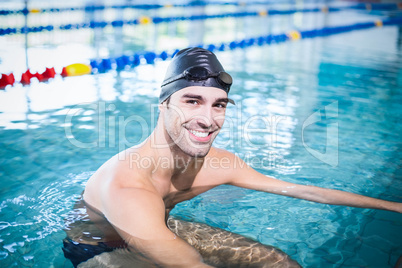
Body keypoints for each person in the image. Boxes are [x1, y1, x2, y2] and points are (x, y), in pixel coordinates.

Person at [63, 47, 402, 267]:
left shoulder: (218, 163)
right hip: (100, 249)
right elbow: (191, 264)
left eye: (219, 104)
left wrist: (395, 208)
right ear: (163, 105)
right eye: (192, 101)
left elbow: (302, 190)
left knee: (279, 263)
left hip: (159, 227)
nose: (209, 120)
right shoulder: (127, 187)